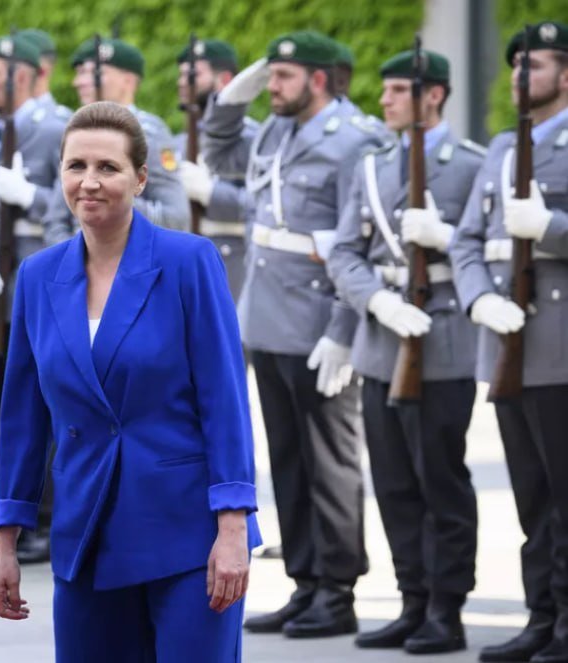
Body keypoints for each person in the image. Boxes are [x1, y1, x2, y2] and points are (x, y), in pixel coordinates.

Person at [0, 101, 261, 662]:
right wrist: (6, 539)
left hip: (188, 536)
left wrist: (233, 524)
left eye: (107, 168)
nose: (89, 182)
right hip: (85, 533)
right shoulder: (38, 275)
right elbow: (22, 418)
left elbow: (225, 400)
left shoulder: (188, 261)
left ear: (140, 179)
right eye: (76, 166)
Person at [212, 31, 383, 639]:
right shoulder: (274, 131)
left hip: (317, 324)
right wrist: (233, 96)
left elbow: (361, 244)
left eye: (283, 76)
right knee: (287, 459)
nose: (273, 87)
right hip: (267, 318)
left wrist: (344, 328)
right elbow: (221, 150)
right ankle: (305, 583)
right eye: (269, 76)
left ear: (318, 79)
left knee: (329, 463)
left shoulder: (356, 140)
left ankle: (337, 590)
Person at [328, 48, 484, 654]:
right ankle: (412, 601)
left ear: (434, 95)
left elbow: (485, 247)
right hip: (381, 342)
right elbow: (346, 252)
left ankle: (447, 608)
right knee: (393, 484)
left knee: (440, 481)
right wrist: (376, 301)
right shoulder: (373, 167)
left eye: (398, 90)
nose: (385, 99)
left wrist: (447, 238)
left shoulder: (468, 165)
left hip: (441, 344)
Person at [450, 21, 568, 663]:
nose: (521, 74)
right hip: (505, 345)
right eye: (516, 64)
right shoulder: (501, 147)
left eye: (536, 64)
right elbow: (467, 240)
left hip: (559, 348)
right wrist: (478, 299)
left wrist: (552, 226)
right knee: (532, 498)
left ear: (566, 74)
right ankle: (541, 618)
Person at [0, 33, 67, 564]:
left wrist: (31, 197)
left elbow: (77, 204)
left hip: (37, 280)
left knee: (40, 402)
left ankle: (48, 517)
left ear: (21, 77)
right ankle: (14, 514)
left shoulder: (56, 127)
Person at [43, 38, 190, 244]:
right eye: (80, 73)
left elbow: (176, 218)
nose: (79, 82)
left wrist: (113, 201)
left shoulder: (150, 134)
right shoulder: (76, 132)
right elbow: (55, 221)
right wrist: (75, 257)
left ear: (128, 81)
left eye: (95, 73)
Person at [176, 38, 254, 302]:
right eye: (181, 75)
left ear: (226, 80)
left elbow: (262, 208)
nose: (182, 82)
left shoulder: (251, 140)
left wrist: (210, 192)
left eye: (193, 75)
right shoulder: (178, 143)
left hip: (232, 271)